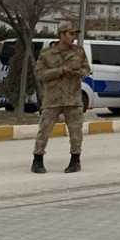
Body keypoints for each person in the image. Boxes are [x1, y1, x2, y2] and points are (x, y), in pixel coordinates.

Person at [31, 22, 91, 174]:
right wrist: (61, 71)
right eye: (71, 34)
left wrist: (79, 73)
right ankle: (37, 160)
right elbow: (39, 74)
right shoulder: (47, 54)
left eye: (75, 34)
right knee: (44, 130)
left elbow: (87, 70)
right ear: (61, 34)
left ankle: (75, 160)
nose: (74, 37)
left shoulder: (78, 51)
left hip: (73, 98)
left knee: (76, 131)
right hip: (53, 98)